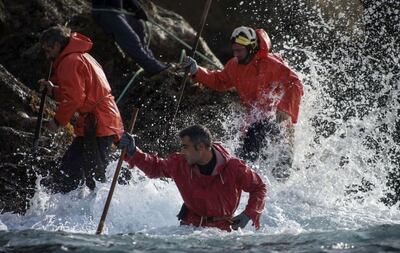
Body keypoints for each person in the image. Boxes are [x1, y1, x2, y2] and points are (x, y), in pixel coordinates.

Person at [182, 26, 304, 178]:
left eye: (240, 51)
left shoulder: (272, 64)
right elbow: (220, 81)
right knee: (247, 151)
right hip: (255, 121)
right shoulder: (234, 65)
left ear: (251, 48)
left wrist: (284, 109)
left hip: (279, 121)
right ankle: (240, 180)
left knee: (280, 169)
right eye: (234, 50)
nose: (236, 54)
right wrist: (197, 71)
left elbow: (295, 84)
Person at [119, 124, 267, 231]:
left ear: (201, 147)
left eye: (185, 147)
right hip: (189, 228)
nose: (182, 152)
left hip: (224, 230)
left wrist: (249, 214)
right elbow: (155, 168)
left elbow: (259, 187)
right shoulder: (179, 163)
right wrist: (133, 151)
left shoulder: (234, 167)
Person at [38, 25, 124, 193]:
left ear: (56, 45)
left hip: (98, 124)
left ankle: (90, 213)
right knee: (73, 172)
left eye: (47, 50)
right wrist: (53, 91)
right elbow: (79, 92)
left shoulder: (69, 61)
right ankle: (72, 210)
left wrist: (57, 121)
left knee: (90, 178)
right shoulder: (81, 56)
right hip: (100, 121)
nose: (46, 55)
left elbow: (75, 98)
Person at [91, 0, 168, 77]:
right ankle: (154, 68)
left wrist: (137, 8)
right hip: (104, 11)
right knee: (132, 39)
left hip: (118, 11)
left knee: (139, 25)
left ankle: (151, 62)